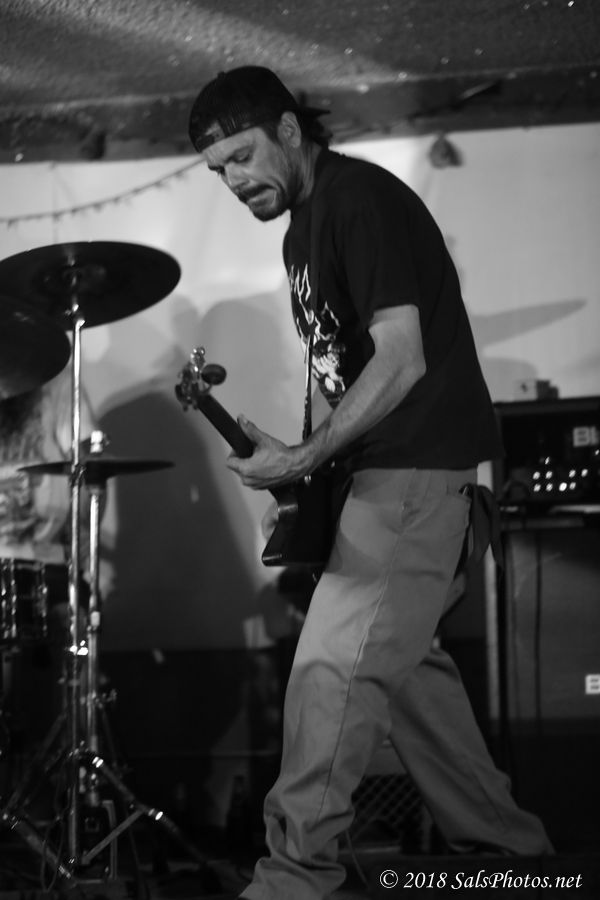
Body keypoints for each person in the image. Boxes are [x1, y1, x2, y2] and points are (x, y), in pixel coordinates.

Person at [188, 67, 553, 900]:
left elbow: (401, 357)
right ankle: (517, 864)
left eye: (241, 155)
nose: (234, 179)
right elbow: (338, 376)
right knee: (412, 685)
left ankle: (291, 879)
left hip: (414, 474)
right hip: (380, 480)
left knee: (330, 670)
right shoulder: (300, 233)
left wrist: (305, 458)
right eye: (218, 170)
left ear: (289, 129)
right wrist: (303, 472)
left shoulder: (360, 199)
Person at [0, 367, 93, 759]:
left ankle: (65, 767)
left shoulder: (57, 380)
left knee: (74, 634)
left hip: (50, 563)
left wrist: (85, 555)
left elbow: (91, 468)